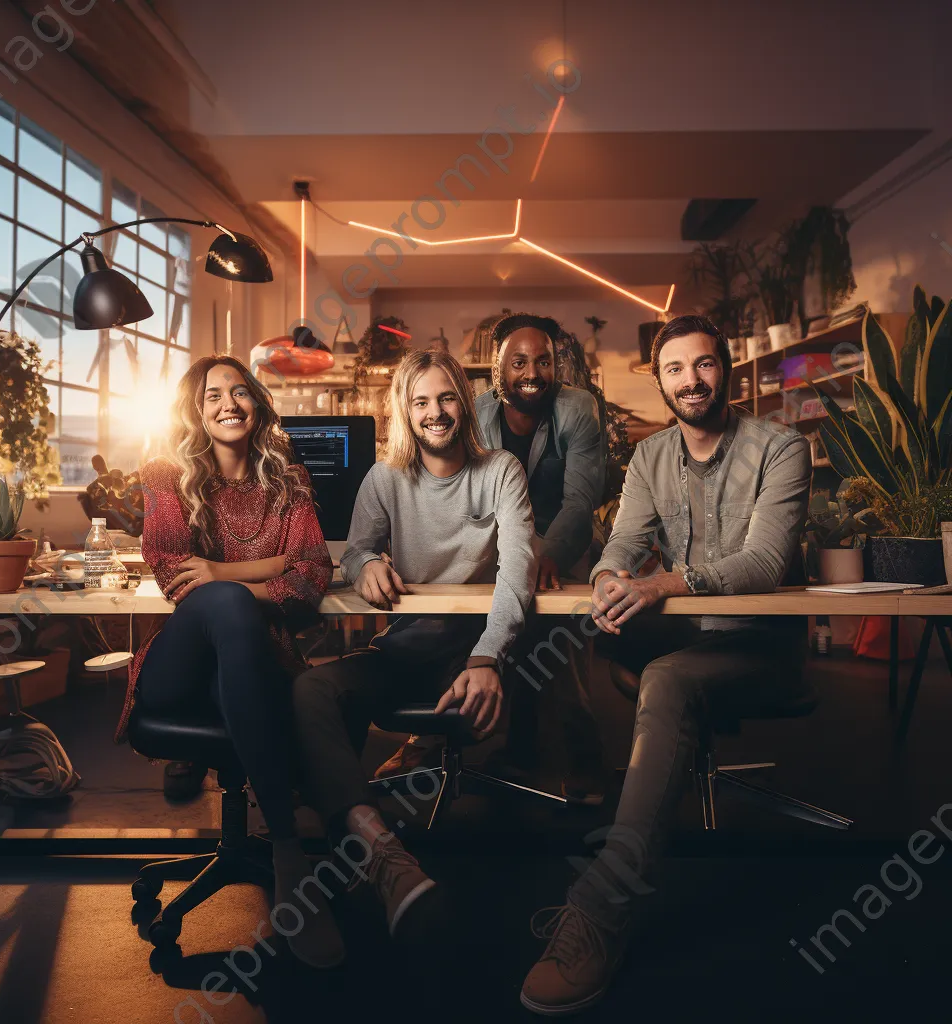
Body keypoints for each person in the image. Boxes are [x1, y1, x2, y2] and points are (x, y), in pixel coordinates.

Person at [520, 314, 813, 1016]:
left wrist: (661, 585)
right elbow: (623, 542)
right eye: (676, 369)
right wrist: (614, 578)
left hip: (760, 647)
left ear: (728, 371)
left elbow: (765, 562)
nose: (691, 380)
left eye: (704, 365)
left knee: (668, 679)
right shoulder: (650, 457)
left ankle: (601, 909)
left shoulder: (782, 447)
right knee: (598, 635)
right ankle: (636, 766)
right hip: (682, 636)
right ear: (660, 381)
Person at [291, 349, 536, 938]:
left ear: (465, 403)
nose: (435, 412)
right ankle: (380, 851)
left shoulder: (501, 468)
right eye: (421, 401)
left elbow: (517, 570)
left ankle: (346, 859)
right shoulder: (384, 478)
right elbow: (352, 550)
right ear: (404, 409)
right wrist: (366, 561)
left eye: (446, 397)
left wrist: (488, 656)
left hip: (472, 648)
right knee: (312, 688)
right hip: (406, 646)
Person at [116, 354, 345, 970]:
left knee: (232, 611)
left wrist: (223, 572)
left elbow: (311, 576)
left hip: (251, 669)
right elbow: (175, 574)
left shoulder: (288, 481)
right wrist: (262, 572)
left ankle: (286, 852)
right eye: (213, 394)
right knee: (224, 606)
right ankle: (292, 848)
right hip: (177, 673)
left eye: (239, 392)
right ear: (196, 409)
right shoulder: (167, 476)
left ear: (257, 404)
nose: (228, 404)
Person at [375, 313, 607, 803]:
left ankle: (583, 762)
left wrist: (543, 556)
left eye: (543, 361)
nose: (532, 372)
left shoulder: (578, 408)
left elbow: (580, 501)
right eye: (518, 361)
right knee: (466, 621)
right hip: (493, 541)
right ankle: (432, 739)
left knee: (560, 637)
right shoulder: (471, 410)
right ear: (497, 370)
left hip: (564, 545)